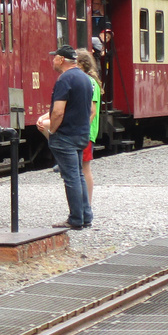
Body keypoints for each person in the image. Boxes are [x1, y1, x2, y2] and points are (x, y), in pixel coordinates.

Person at [35, 44, 93, 229]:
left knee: (71, 177)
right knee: (79, 175)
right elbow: (90, 109)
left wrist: (52, 131)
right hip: (81, 134)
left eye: (55, 57)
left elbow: (58, 112)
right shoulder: (85, 79)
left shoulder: (64, 80)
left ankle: (76, 219)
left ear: (61, 59)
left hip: (66, 135)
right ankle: (86, 216)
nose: (52, 60)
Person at [75, 48, 103, 212]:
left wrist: (81, 130)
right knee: (83, 168)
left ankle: (87, 205)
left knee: (84, 168)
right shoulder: (91, 81)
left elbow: (92, 111)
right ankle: (85, 204)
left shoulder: (88, 82)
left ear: (80, 64)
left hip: (85, 131)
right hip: (86, 130)